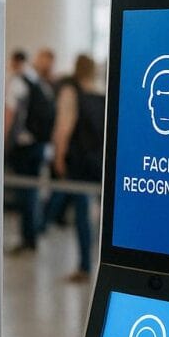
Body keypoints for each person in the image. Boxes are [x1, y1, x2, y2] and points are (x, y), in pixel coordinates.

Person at [48, 54, 104, 282]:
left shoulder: (71, 92)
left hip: (80, 162)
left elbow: (64, 126)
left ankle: (84, 266)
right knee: (99, 215)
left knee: (82, 213)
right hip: (99, 161)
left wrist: (58, 155)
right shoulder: (101, 94)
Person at [4, 49, 53, 254]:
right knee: (32, 192)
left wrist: (4, 142)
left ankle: (27, 238)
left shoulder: (17, 82)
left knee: (25, 193)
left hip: (24, 146)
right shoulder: (36, 81)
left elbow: (9, 114)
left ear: (15, 62)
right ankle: (33, 236)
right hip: (40, 144)